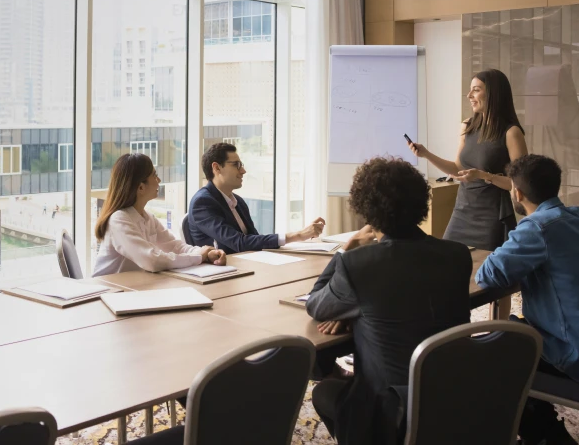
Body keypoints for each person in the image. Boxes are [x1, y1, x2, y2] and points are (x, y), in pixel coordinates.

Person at [307, 157, 472, 445]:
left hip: (394, 409)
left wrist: (346, 251)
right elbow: (410, 295)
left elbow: (316, 305)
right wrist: (360, 310)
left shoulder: (358, 264)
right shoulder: (457, 254)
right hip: (455, 393)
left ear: (365, 207)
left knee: (323, 392)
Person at [475, 154, 579, 445]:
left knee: (487, 356)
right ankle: (542, 427)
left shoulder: (537, 228)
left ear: (517, 193)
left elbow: (487, 275)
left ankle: (545, 436)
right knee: (508, 335)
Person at [409, 68, 527, 318]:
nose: (469, 95)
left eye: (476, 89)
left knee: (498, 279)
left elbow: (521, 185)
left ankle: (499, 329)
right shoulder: (467, 126)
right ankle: (453, 325)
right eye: (470, 89)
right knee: (446, 269)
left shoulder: (511, 132)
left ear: (492, 94)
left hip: (492, 215)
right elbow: (457, 169)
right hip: (463, 210)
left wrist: (486, 176)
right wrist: (426, 154)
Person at [92, 153, 226, 277]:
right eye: (154, 175)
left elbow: (175, 246)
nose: (159, 180)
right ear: (140, 187)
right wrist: (198, 257)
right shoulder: (119, 220)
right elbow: (152, 260)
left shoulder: (147, 217)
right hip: (106, 294)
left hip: (132, 289)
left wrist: (205, 253)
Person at [188, 143, 325, 253]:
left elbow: (254, 240)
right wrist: (299, 235)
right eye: (237, 165)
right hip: (223, 275)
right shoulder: (203, 203)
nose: (243, 171)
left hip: (246, 267)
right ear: (216, 168)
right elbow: (239, 243)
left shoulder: (238, 201)